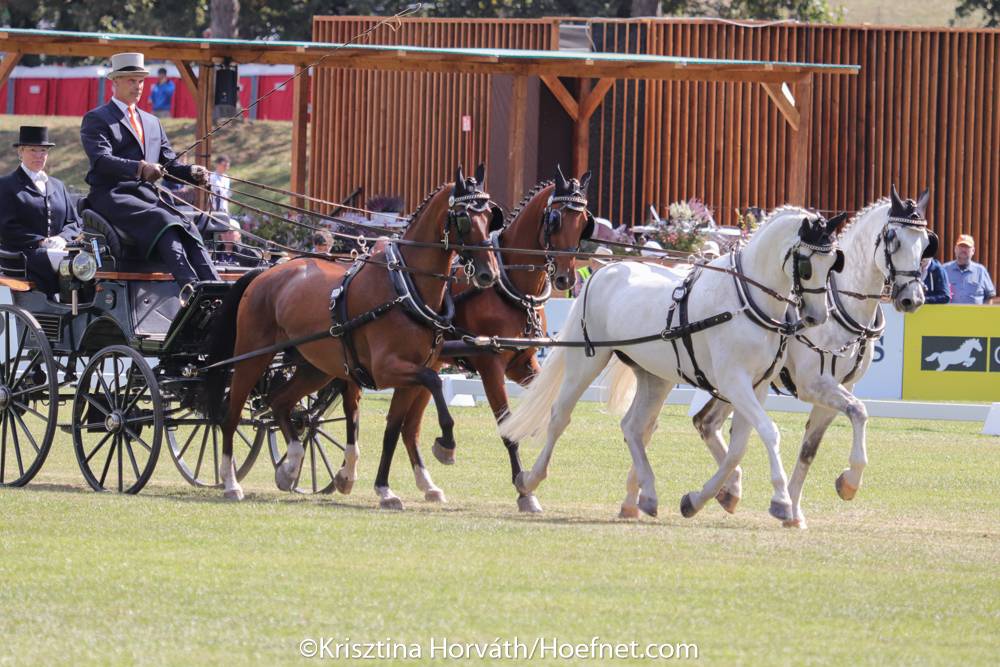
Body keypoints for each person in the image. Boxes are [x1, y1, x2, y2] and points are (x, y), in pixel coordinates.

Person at [80, 52, 218, 291]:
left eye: (141, 81)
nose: (138, 86)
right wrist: (140, 168)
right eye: (131, 80)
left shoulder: (152, 122)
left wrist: (192, 172)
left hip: (146, 196)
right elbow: (101, 160)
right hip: (112, 195)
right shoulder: (97, 118)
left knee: (187, 225)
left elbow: (169, 164)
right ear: (115, 81)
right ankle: (191, 287)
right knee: (163, 220)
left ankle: (214, 288)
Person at [0, 126, 82, 297]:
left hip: (60, 249)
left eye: (43, 151)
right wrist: (41, 241)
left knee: (86, 262)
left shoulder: (58, 185)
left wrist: (62, 238)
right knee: (69, 262)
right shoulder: (6, 185)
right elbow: (7, 227)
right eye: (33, 150)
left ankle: (81, 303)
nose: (39, 155)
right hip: (23, 254)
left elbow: (73, 222)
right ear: (20, 152)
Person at [942, 234, 995, 304]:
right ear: (955, 249)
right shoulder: (944, 269)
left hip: (975, 311)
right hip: (949, 311)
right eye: (961, 246)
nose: (963, 250)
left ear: (973, 251)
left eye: (967, 247)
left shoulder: (981, 271)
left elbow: (989, 296)